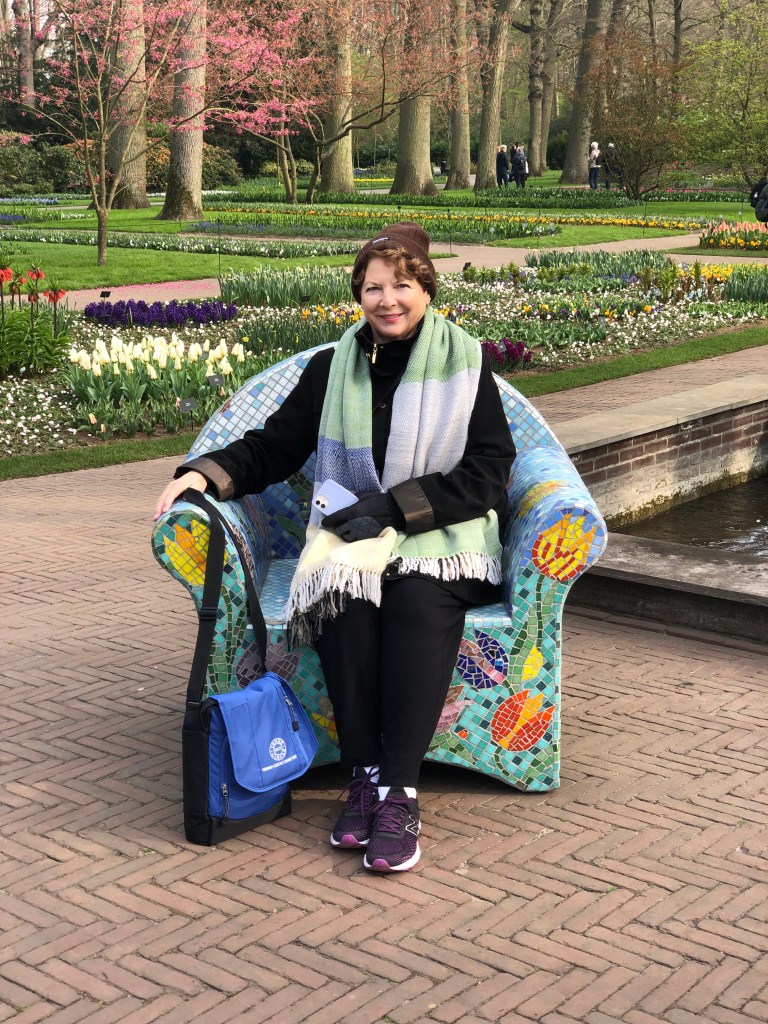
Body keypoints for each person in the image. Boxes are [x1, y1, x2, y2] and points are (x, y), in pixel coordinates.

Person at [155, 223, 516, 874]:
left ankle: (400, 793)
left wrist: (393, 509)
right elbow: (272, 447)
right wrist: (204, 475)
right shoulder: (331, 368)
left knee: (414, 603)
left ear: (426, 290)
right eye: (373, 288)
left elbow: (489, 471)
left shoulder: (466, 364)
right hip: (352, 538)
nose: (387, 300)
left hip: (441, 539)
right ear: (358, 295)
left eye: (401, 285)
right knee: (341, 600)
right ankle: (364, 775)